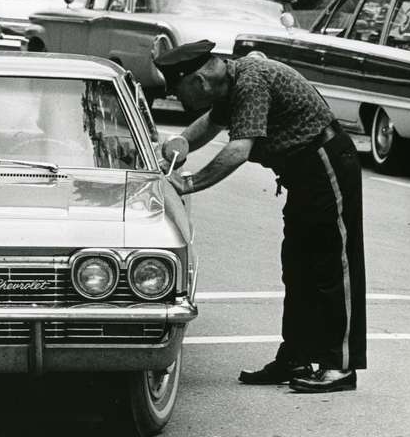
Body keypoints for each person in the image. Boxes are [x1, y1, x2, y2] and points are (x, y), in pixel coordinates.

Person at [154, 40, 366, 393]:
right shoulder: (231, 83)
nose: (180, 101)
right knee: (297, 267)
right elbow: (210, 123)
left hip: (325, 165)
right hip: (303, 175)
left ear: (200, 82)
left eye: (180, 92)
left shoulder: (251, 83)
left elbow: (238, 150)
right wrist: (180, 143)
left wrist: (187, 183)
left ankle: (340, 366)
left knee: (332, 268)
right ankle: (296, 356)